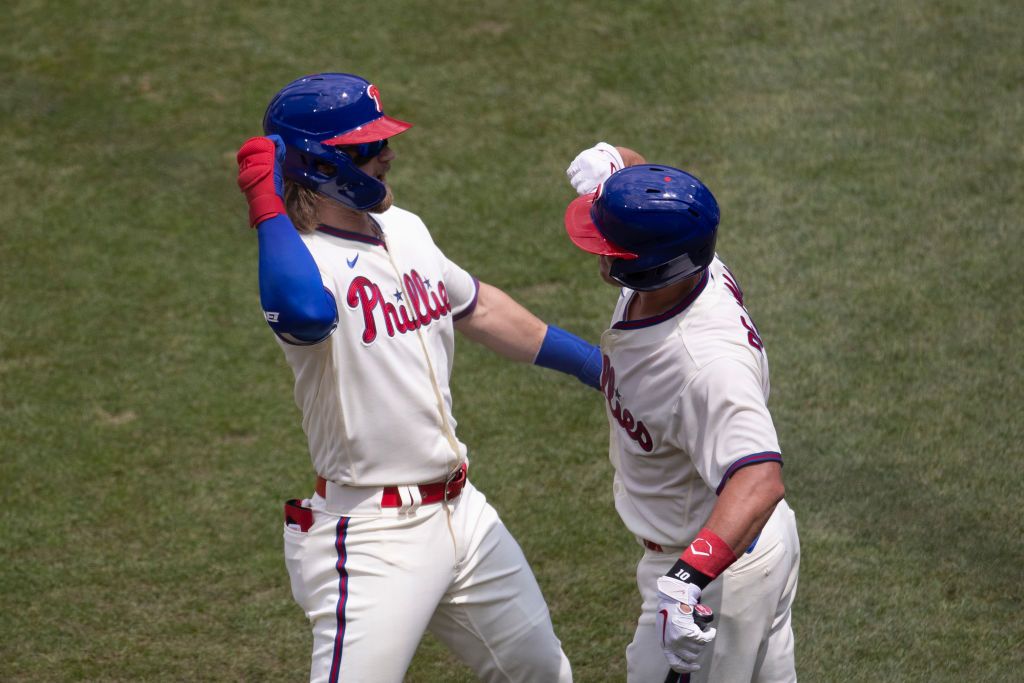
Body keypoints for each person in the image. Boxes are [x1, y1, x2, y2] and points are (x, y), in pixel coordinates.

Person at [235, 72, 601, 683]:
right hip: (376, 535)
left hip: (465, 514)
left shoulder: (404, 227)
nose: (387, 155)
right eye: (366, 148)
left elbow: (477, 306)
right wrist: (267, 207)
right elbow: (303, 314)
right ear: (320, 164)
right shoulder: (301, 264)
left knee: (543, 674)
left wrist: (597, 368)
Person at [562, 143, 801, 682]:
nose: (600, 254)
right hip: (746, 547)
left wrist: (688, 581)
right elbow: (660, 199)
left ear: (649, 265)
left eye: (612, 248)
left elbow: (760, 479)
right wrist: (617, 164)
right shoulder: (690, 262)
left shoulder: (704, 365)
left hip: (716, 568)